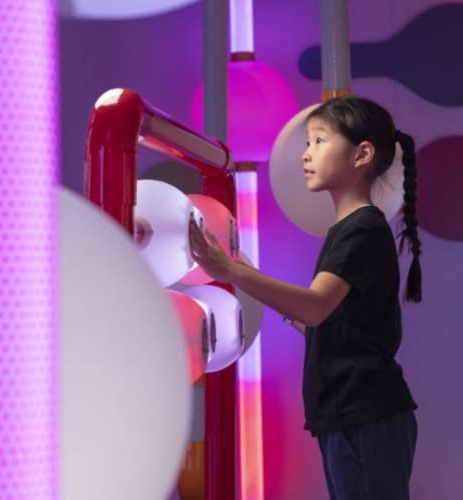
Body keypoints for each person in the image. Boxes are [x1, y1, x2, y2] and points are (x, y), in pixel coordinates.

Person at [188, 95, 421, 500]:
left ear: (362, 154)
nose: (305, 154)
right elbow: (324, 319)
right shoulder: (346, 231)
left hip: (367, 412)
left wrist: (231, 272)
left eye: (318, 141)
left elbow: (314, 308)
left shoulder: (362, 229)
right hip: (343, 414)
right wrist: (244, 272)